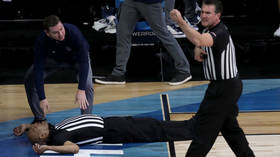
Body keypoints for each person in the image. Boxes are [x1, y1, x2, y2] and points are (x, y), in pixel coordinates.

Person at [170, 0, 255, 156]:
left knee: (204, 129)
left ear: (218, 15)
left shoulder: (220, 31)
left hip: (225, 88)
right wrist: (197, 47)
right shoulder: (209, 30)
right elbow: (200, 41)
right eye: (202, 12)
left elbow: (202, 40)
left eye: (208, 13)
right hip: (221, 86)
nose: (203, 15)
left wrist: (181, 22)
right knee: (230, 129)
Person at [95, 0, 192, 86]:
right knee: (122, 34)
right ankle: (118, 74)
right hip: (131, 2)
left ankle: (184, 70)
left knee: (163, 34)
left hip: (151, 2)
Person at [24, 15, 94, 123]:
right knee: (30, 78)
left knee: (87, 85)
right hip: (54, 60)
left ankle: (86, 119)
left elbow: (84, 61)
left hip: (76, 61)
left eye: (61, 29)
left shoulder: (73, 32)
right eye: (55, 32)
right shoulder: (41, 41)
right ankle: (40, 119)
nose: (61, 34)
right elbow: (38, 69)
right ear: (47, 33)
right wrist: (42, 98)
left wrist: (81, 90)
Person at [13, 114, 196, 154]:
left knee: (152, 123)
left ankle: (189, 125)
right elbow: (74, 149)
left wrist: (25, 126)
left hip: (111, 122)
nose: (38, 123)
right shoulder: (58, 138)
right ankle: (191, 131)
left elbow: (39, 127)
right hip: (113, 130)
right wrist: (46, 148)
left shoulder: (52, 128)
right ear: (43, 136)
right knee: (155, 131)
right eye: (37, 127)